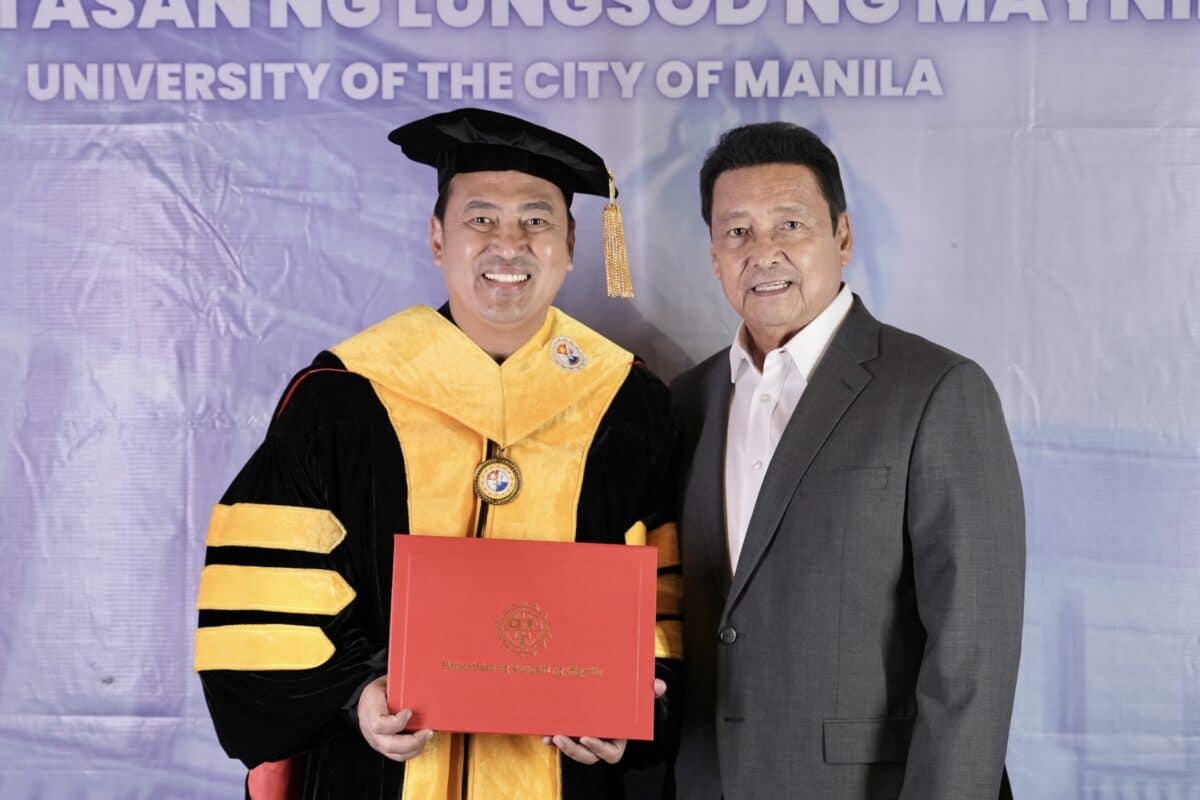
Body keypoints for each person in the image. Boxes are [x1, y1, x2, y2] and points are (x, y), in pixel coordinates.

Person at [194, 108, 682, 800]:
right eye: (481, 219)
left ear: (571, 243)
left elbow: (663, 600)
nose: (508, 245)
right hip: (375, 776)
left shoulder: (628, 403)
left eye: (536, 221)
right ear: (436, 237)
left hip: (563, 779)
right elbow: (266, 602)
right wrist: (356, 694)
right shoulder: (343, 396)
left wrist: (636, 712)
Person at [670, 121, 1025, 799]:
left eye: (790, 226)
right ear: (714, 254)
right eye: (736, 231)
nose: (762, 252)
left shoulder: (937, 391)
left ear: (842, 238)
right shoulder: (688, 402)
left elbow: (971, 657)